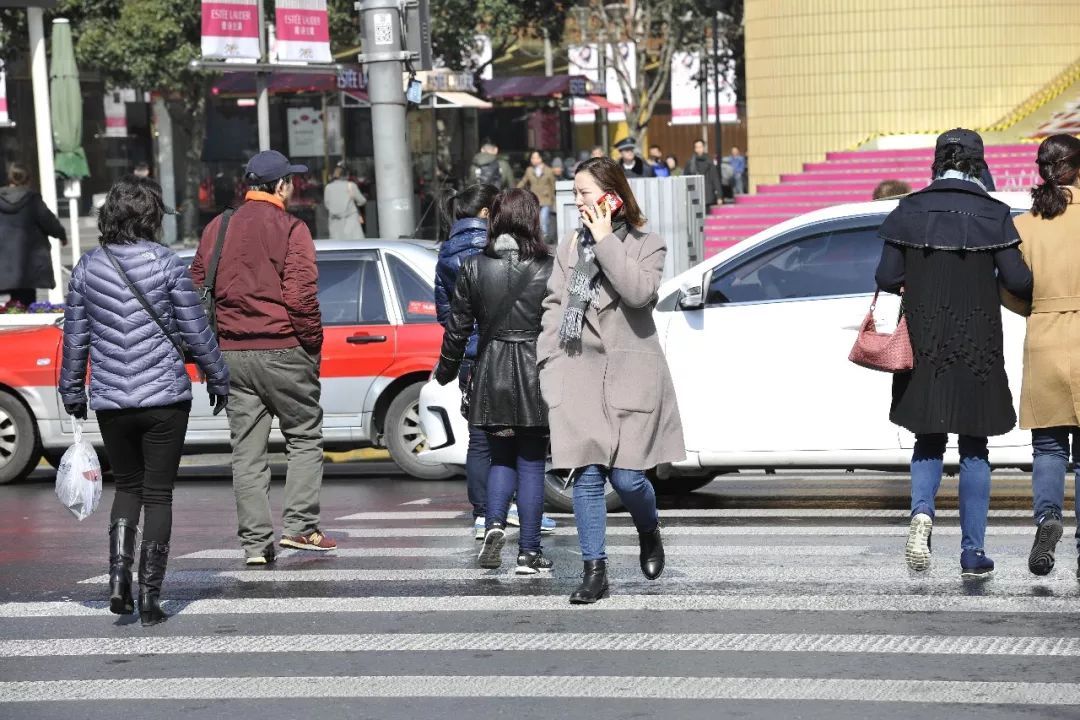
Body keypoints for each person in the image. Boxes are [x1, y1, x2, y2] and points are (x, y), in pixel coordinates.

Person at [59, 176, 230, 626]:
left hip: (112, 399)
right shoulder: (167, 264)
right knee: (158, 495)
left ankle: (118, 580)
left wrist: (72, 391)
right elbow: (196, 330)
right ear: (152, 217)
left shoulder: (87, 267)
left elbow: (75, 338)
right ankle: (151, 596)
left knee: (128, 489)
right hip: (165, 398)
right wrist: (218, 376)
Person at [874, 128, 1033, 579]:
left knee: (928, 437)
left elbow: (886, 276)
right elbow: (1018, 280)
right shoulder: (994, 212)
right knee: (975, 446)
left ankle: (922, 513)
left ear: (937, 161)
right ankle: (972, 551)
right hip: (978, 341)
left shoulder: (909, 209)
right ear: (977, 163)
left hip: (924, 340)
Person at [538, 157, 685, 603]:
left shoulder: (647, 244)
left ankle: (649, 527)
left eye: (583, 192)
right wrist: (548, 361)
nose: (577, 201)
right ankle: (594, 571)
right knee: (585, 474)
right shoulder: (569, 246)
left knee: (626, 479)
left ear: (611, 195)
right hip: (577, 368)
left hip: (630, 372)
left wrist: (604, 241)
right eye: (576, 193)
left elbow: (639, 293)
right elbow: (554, 304)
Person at [192, 149, 334, 565]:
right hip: (285, 348)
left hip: (231, 354)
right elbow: (301, 296)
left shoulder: (218, 226)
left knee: (247, 453)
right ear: (280, 185)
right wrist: (311, 344)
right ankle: (300, 527)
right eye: (291, 181)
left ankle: (255, 545)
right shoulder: (292, 229)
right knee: (304, 437)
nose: (293, 187)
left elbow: (196, 284)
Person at [435, 188, 555, 574]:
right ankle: (530, 553)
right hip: (535, 370)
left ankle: (494, 523)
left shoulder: (473, 266)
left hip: (490, 370)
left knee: (501, 456)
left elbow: (457, 328)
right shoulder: (548, 266)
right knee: (532, 462)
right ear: (531, 220)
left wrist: (445, 371)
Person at [999, 134, 1080, 579]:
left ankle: (1048, 517)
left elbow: (1009, 287)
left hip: (1045, 336)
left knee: (1049, 446)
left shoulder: (1024, 224)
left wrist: (1039, 309)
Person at [0, 163, 67, 307]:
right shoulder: (32, 200)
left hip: (4, 261)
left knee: (13, 302)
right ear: (28, 180)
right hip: (28, 262)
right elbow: (49, 222)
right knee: (26, 301)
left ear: (9, 179)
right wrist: (61, 235)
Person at [517, 150, 557, 241]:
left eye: (537, 157)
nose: (534, 160)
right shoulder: (529, 170)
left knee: (543, 218)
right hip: (534, 198)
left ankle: (545, 237)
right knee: (535, 219)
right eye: (533, 158)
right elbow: (524, 181)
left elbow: (553, 184)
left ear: (541, 158)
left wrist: (552, 197)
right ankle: (538, 237)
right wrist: (516, 189)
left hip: (546, 199)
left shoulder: (548, 170)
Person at [323, 163, 367, 240]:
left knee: (337, 247)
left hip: (335, 222)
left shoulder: (328, 187)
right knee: (355, 246)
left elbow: (327, 205)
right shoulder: (351, 185)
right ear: (346, 175)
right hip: (351, 221)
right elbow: (362, 201)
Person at [684, 140, 722, 208]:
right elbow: (685, 179)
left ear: (703, 148)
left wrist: (719, 196)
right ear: (694, 148)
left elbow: (715, 178)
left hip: (708, 194)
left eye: (700, 147)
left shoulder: (709, 161)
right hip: (694, 194)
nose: (699, 149)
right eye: (697, 147)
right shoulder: (690, 162)